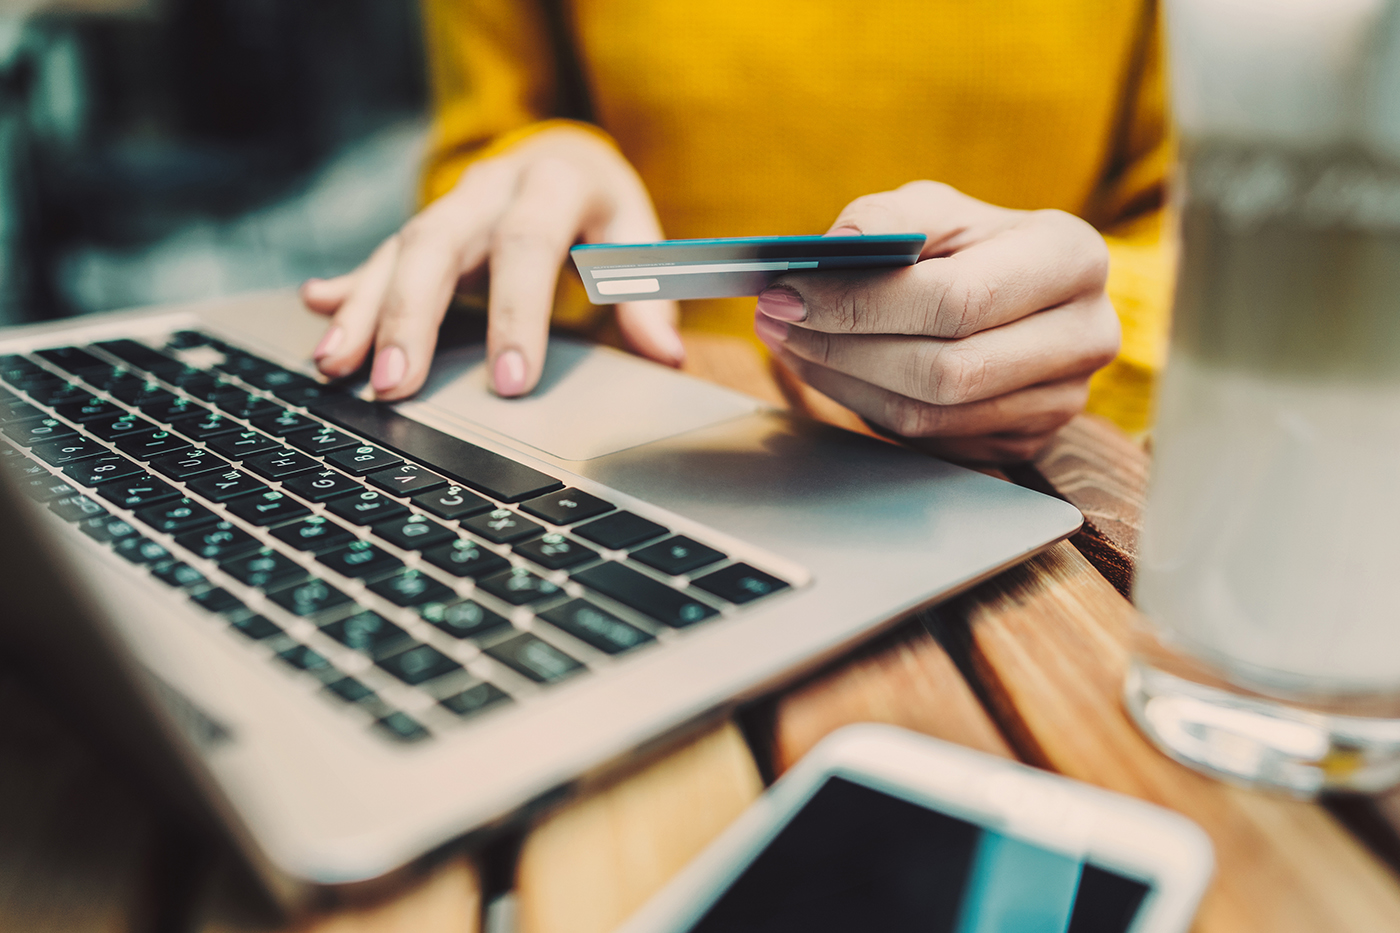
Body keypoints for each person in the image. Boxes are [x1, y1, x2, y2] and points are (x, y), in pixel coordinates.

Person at [302, 0, 1171, 462]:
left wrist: (1073, 329)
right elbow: (476, 160)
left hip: (1024, 475)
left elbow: (1215, 252)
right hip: (607, 440)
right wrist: (541, 165)